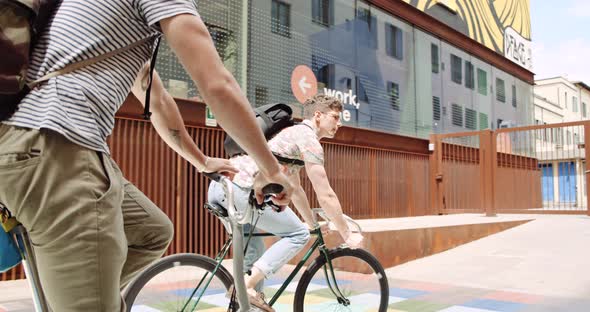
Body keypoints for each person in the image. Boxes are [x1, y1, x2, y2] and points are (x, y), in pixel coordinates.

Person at [0, 1, 294, 311]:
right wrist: (272, 171)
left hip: (24, 144)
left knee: (151, 231)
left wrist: (202, 161)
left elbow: (157, 100)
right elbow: (217, 84)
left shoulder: (115, 22)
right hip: (59, 146)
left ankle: (72, 292)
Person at [208, 94, 365, 312]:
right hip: (242, 192)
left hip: (221, 188)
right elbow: (325, 193)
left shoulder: (291, 135)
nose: (339, 123)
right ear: (318, 116)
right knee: (297, 235)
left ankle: (245, 300)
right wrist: (347, 234)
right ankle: (246, 286)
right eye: (335, 117)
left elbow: (297, 189)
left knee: (253, 255)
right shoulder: (308, 139)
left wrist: (312, 224)